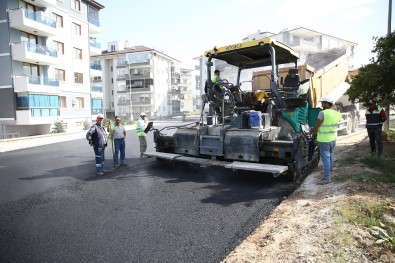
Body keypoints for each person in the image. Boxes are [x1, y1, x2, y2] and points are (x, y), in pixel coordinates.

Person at [308, 97, 341, 185]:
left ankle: (326, 178)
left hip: (324, 139)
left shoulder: (322, 113)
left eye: (322, 103)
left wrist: (310, 131)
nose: (322, 105)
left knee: (326, 159)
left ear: (327, 104)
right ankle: (329, 173)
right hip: (333, 139)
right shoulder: (336, 113)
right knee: (330, 156)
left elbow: (317, 126)